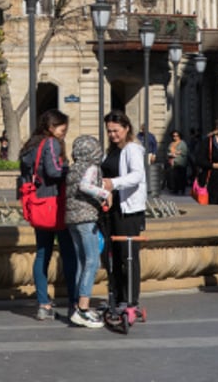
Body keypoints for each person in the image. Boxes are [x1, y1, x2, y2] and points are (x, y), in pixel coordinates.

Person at [19, 109, 77, 321]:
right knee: (69, 254)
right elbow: (53, 171)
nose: (64, 132)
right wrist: (71, 171)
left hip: (39, 206)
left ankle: (43, 304)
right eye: (63, 128)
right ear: (52, 127)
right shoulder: (51, 143)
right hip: (55, 204)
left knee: (42, 253)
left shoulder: (30, 146)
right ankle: (74, 302)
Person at [101, 111, 147, 315]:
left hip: (128, 210)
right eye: (109, 131)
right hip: (110, 209)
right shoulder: (111, 151)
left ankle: (130, 299)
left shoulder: (132, 149)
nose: (112, 135)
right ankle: (116, 296)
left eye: (116, 131)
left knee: (127, 255)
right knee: (112, 255)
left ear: (126, 128)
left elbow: (137, 175)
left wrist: (114, 183)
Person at [64, 134, 111, 328]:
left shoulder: (73, 167)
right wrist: (105, 193)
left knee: (82, 262)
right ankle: (83, 309)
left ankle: (76, 306)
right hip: (86, 218)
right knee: (92, 260)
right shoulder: (92, 167)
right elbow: (85, 186)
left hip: (72, 220)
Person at [165, 130, 188, 195]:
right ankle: (175, 189)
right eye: (173, 136)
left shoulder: (182, 143)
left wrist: (175, 153)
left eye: (176, 136)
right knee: (174, 177)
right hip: (172, 163)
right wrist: (174, 153)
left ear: (179, 136)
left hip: (180, 163)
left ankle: (182, 190)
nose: (175, 137)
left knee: (181, 177)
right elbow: (168, 152)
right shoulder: (171, 144)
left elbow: (184, 152)